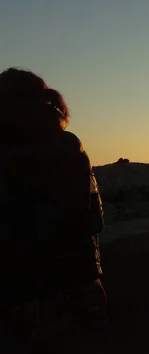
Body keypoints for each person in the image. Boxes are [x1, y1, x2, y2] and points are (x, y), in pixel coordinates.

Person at [0, 68, 107, 352]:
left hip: (26, 298)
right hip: (83, 287)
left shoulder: (11, 154)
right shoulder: (71, 146)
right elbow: (95, 218)